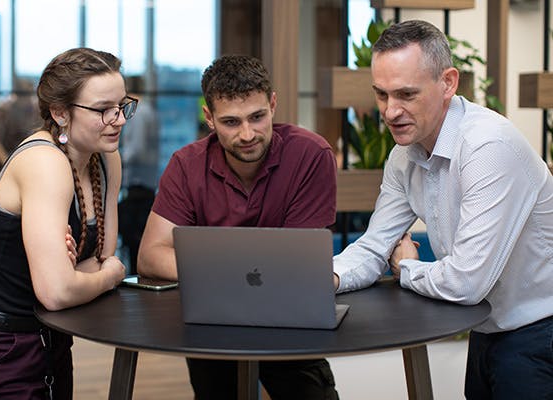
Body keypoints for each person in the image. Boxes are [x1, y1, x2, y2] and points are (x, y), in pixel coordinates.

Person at [333, 20, 553, 400]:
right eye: (382, 95)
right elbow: (374, 246)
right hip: (487, 328)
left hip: (538, 330)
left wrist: (405, 268)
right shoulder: (404, 156)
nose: (390, 111)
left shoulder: (488, 147)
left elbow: (467, 282)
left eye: (406, 94)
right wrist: (327, 278)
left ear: (448, 82)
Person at [137, 54, 340, 400]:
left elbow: (299, 268)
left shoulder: (310, 155)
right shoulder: (186, 165)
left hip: (288, 323)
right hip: (213, 326)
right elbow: (150, 257)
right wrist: (239, 275)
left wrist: (211, 271)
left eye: (257, 117)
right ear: (209, 118)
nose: (247, 134)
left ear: (273, 104)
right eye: (231, 122)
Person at [0, 47, 132, 399]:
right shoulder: (44, 162)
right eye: (102, 110)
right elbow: (59, 290)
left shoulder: (107, 162)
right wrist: (108, 275)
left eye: (122, 106)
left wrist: (81, 273)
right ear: (60, 113)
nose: (120, 119)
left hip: (52, 342)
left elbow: (96, 258)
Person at [118, 75, 159, 274]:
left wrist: (113, 160)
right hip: (145, 182)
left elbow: (137, 149)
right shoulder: (149, 110)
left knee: (133, 242)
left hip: (138, 185)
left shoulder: (139, 113)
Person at [0, 77, 42, 171]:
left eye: (30, 94)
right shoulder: (5, 110)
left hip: (31, 161)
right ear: (17, 95)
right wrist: (8, 166)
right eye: (25, 95)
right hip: (7, 161)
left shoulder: (36, 110)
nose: (28, 99)